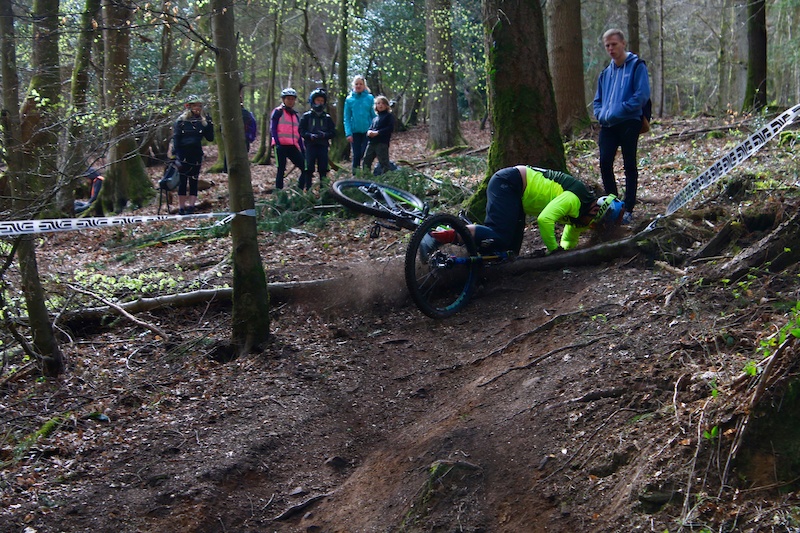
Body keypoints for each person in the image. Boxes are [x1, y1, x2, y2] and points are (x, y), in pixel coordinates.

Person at [420, 166, 624, 260]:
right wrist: (554, 251)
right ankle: (438, 235)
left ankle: (469, 263)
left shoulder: (579, 217)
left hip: (516, 195)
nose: (592, 228)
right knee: (498, 235)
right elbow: (545, 220)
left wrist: (566, 253)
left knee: (508, 253)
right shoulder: (574, 200)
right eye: (597, 223)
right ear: (596, 210)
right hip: (509, 183)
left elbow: (568, 242)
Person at [593, 28, 650, 225]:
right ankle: (613, 204)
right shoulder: (605, 74)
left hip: (629, 121)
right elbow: (597, 100)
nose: (610, 48)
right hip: (608, 125)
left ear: (623, 43)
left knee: (629, 165)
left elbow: (641, 95)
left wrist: (622, 109)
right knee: (605, 162)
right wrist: (601, 113)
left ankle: (629, 207)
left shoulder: (637, 66)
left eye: (614, 44)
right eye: (607, 45)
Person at [173, 95, 214, 215]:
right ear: (189, 107)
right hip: (183, 154)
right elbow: (176, 139)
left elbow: (210, 138)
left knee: (193, 181)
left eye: (199, 106)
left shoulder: (203, 122)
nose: (198, 108)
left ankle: (191, 207)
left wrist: (210, 124)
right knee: (182, 181)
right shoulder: (181, 121)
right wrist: (177, 156)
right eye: (195, 106)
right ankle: (181, 207)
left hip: (196, 154)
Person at [270, 87, 308, 190]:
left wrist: (302, 148)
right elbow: (273, 128)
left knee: (305, 168)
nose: (291, 101)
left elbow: (298, 134)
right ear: (283, 100)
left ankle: (299, 191)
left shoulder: (295, 115)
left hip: (292, 146)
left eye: (292, 99)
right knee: (281, 169)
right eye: (288, 99)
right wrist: (277, 143)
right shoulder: (278, 112)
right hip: (280, 145)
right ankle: (279, 193)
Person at [299, 88, 336, 191]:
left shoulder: (327, 118)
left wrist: (325, 135)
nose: (319, 103)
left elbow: (333, 132)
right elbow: (301, 130)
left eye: (321, 101)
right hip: (310, 145)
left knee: (323, 168)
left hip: (323, 145)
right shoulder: (306, 116)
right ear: (312, 101)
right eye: (317, 100)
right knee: (309, 168)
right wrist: (309, 135)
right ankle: (309, 189)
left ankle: (324, 189)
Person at [222, 84, 258, 173]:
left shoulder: (244, 114)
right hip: (238, 142)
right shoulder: (240, 113)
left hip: (240, 142)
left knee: (238, 167)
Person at [343, 75, 375, 173]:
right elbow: (347, 117)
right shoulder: (349, 100)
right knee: (356, 155)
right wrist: (348, 133)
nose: (358, 86)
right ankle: (355, 174)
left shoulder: (370, 98)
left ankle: (366, 173)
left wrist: (375, 129)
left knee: (365, 153)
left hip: (367, 131)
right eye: (356, 84)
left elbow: (374, 115)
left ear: (364, 85)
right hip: (355, 131)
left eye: (360, 84)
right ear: (353, 85)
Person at [361, 95, 395, 176]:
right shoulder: (375, 119)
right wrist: (369, 132)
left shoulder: (389, 116)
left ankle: (386, 180)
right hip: (372, 143)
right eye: (378, 103)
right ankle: (366, 178)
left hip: (382, 143)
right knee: (366, 161)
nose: (380, 105)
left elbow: (390, 128)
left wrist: (378, 133)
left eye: (382, 103)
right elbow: (370, 128)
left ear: (386, 105)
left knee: (384, 163)